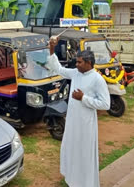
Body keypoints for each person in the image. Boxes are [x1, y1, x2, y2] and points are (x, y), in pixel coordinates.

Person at [46, 36, 110, 187]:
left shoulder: (97, 79)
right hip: (73, 121)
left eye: (79, 62)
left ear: (88, 63)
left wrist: (84, 98)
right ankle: (73, 180)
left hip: (86, 124)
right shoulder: (76, 73)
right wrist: (51, 48)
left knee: (84, 153)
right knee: (72, 148)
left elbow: (106, 104)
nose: (76, 64)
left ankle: (86, 182)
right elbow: (58, 69)